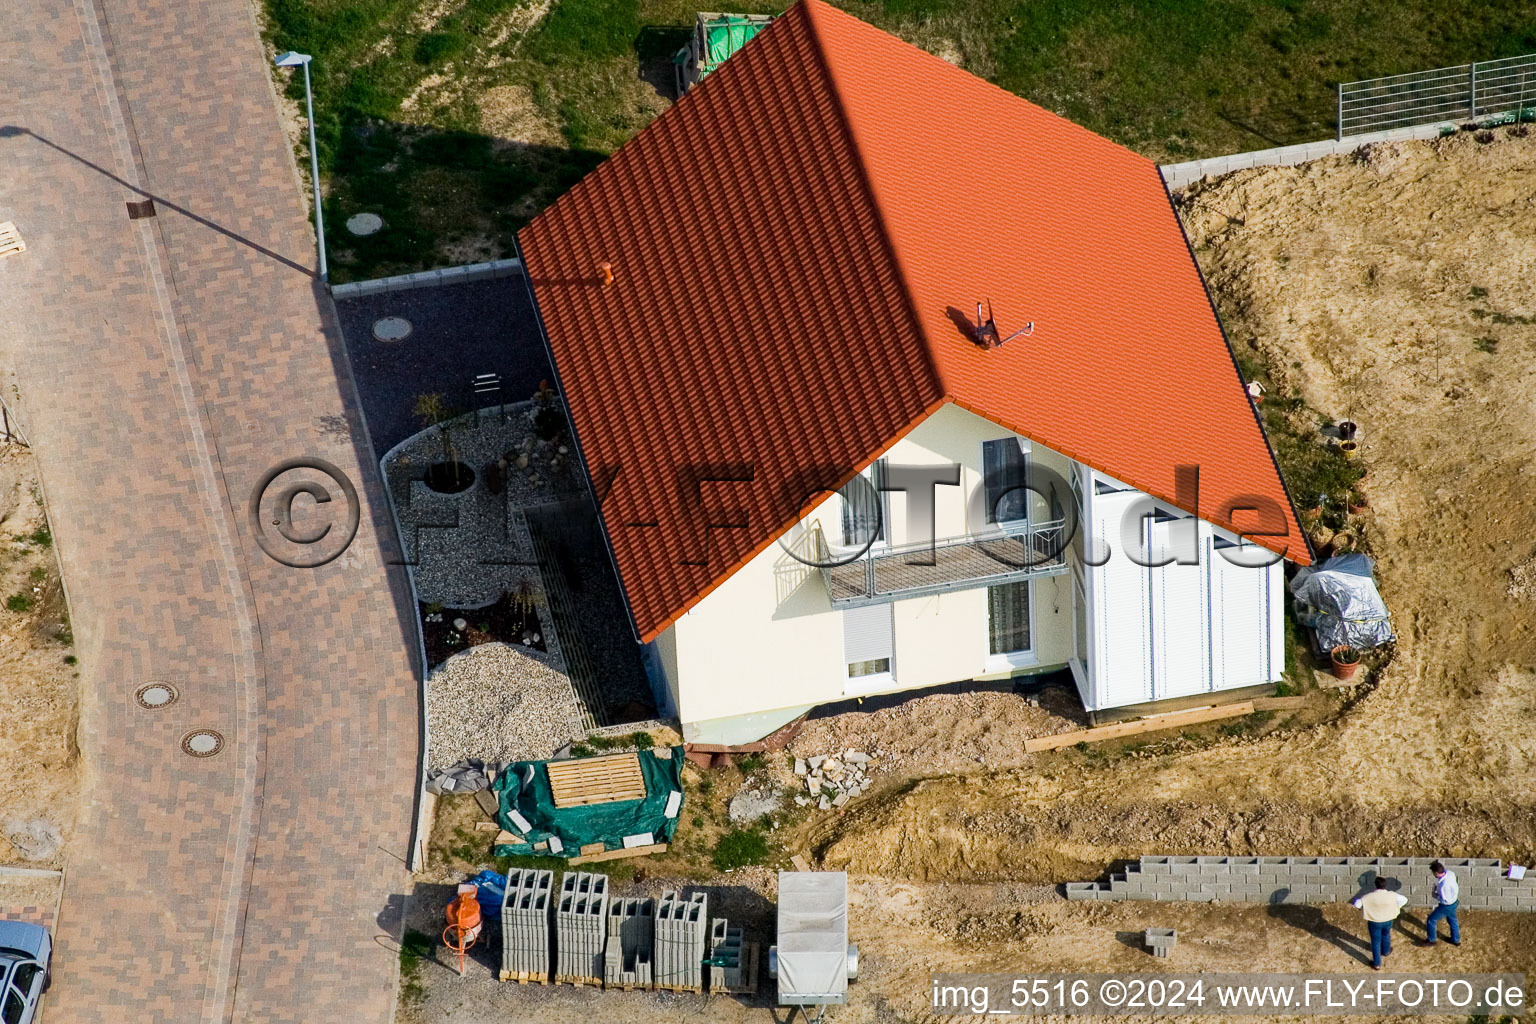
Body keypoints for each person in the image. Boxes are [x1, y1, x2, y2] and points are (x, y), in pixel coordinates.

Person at [1352, 878, 1408, 969]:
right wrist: (1396, 906)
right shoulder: (1392, 895)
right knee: (1386, 934)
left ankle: (1377, 964)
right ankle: (1386, 951)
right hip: (1388, 920)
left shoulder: (1368, 896)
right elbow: (1404, 900)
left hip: (1374, 922)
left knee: (1375, 941)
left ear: (1375, 885)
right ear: (1385, 885)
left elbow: (1357, 905)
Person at [1424, 861, 1461, 946]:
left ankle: (1431, 940)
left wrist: (1435, 895)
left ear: (1436, 873)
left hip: (1446, 906)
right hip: (1454, 902)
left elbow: (1445, 900)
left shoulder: (1444, 886)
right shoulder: (1450, 873)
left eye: (1433, 873)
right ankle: (1456, 940)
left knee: (1431, 919)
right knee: (1453, 920)